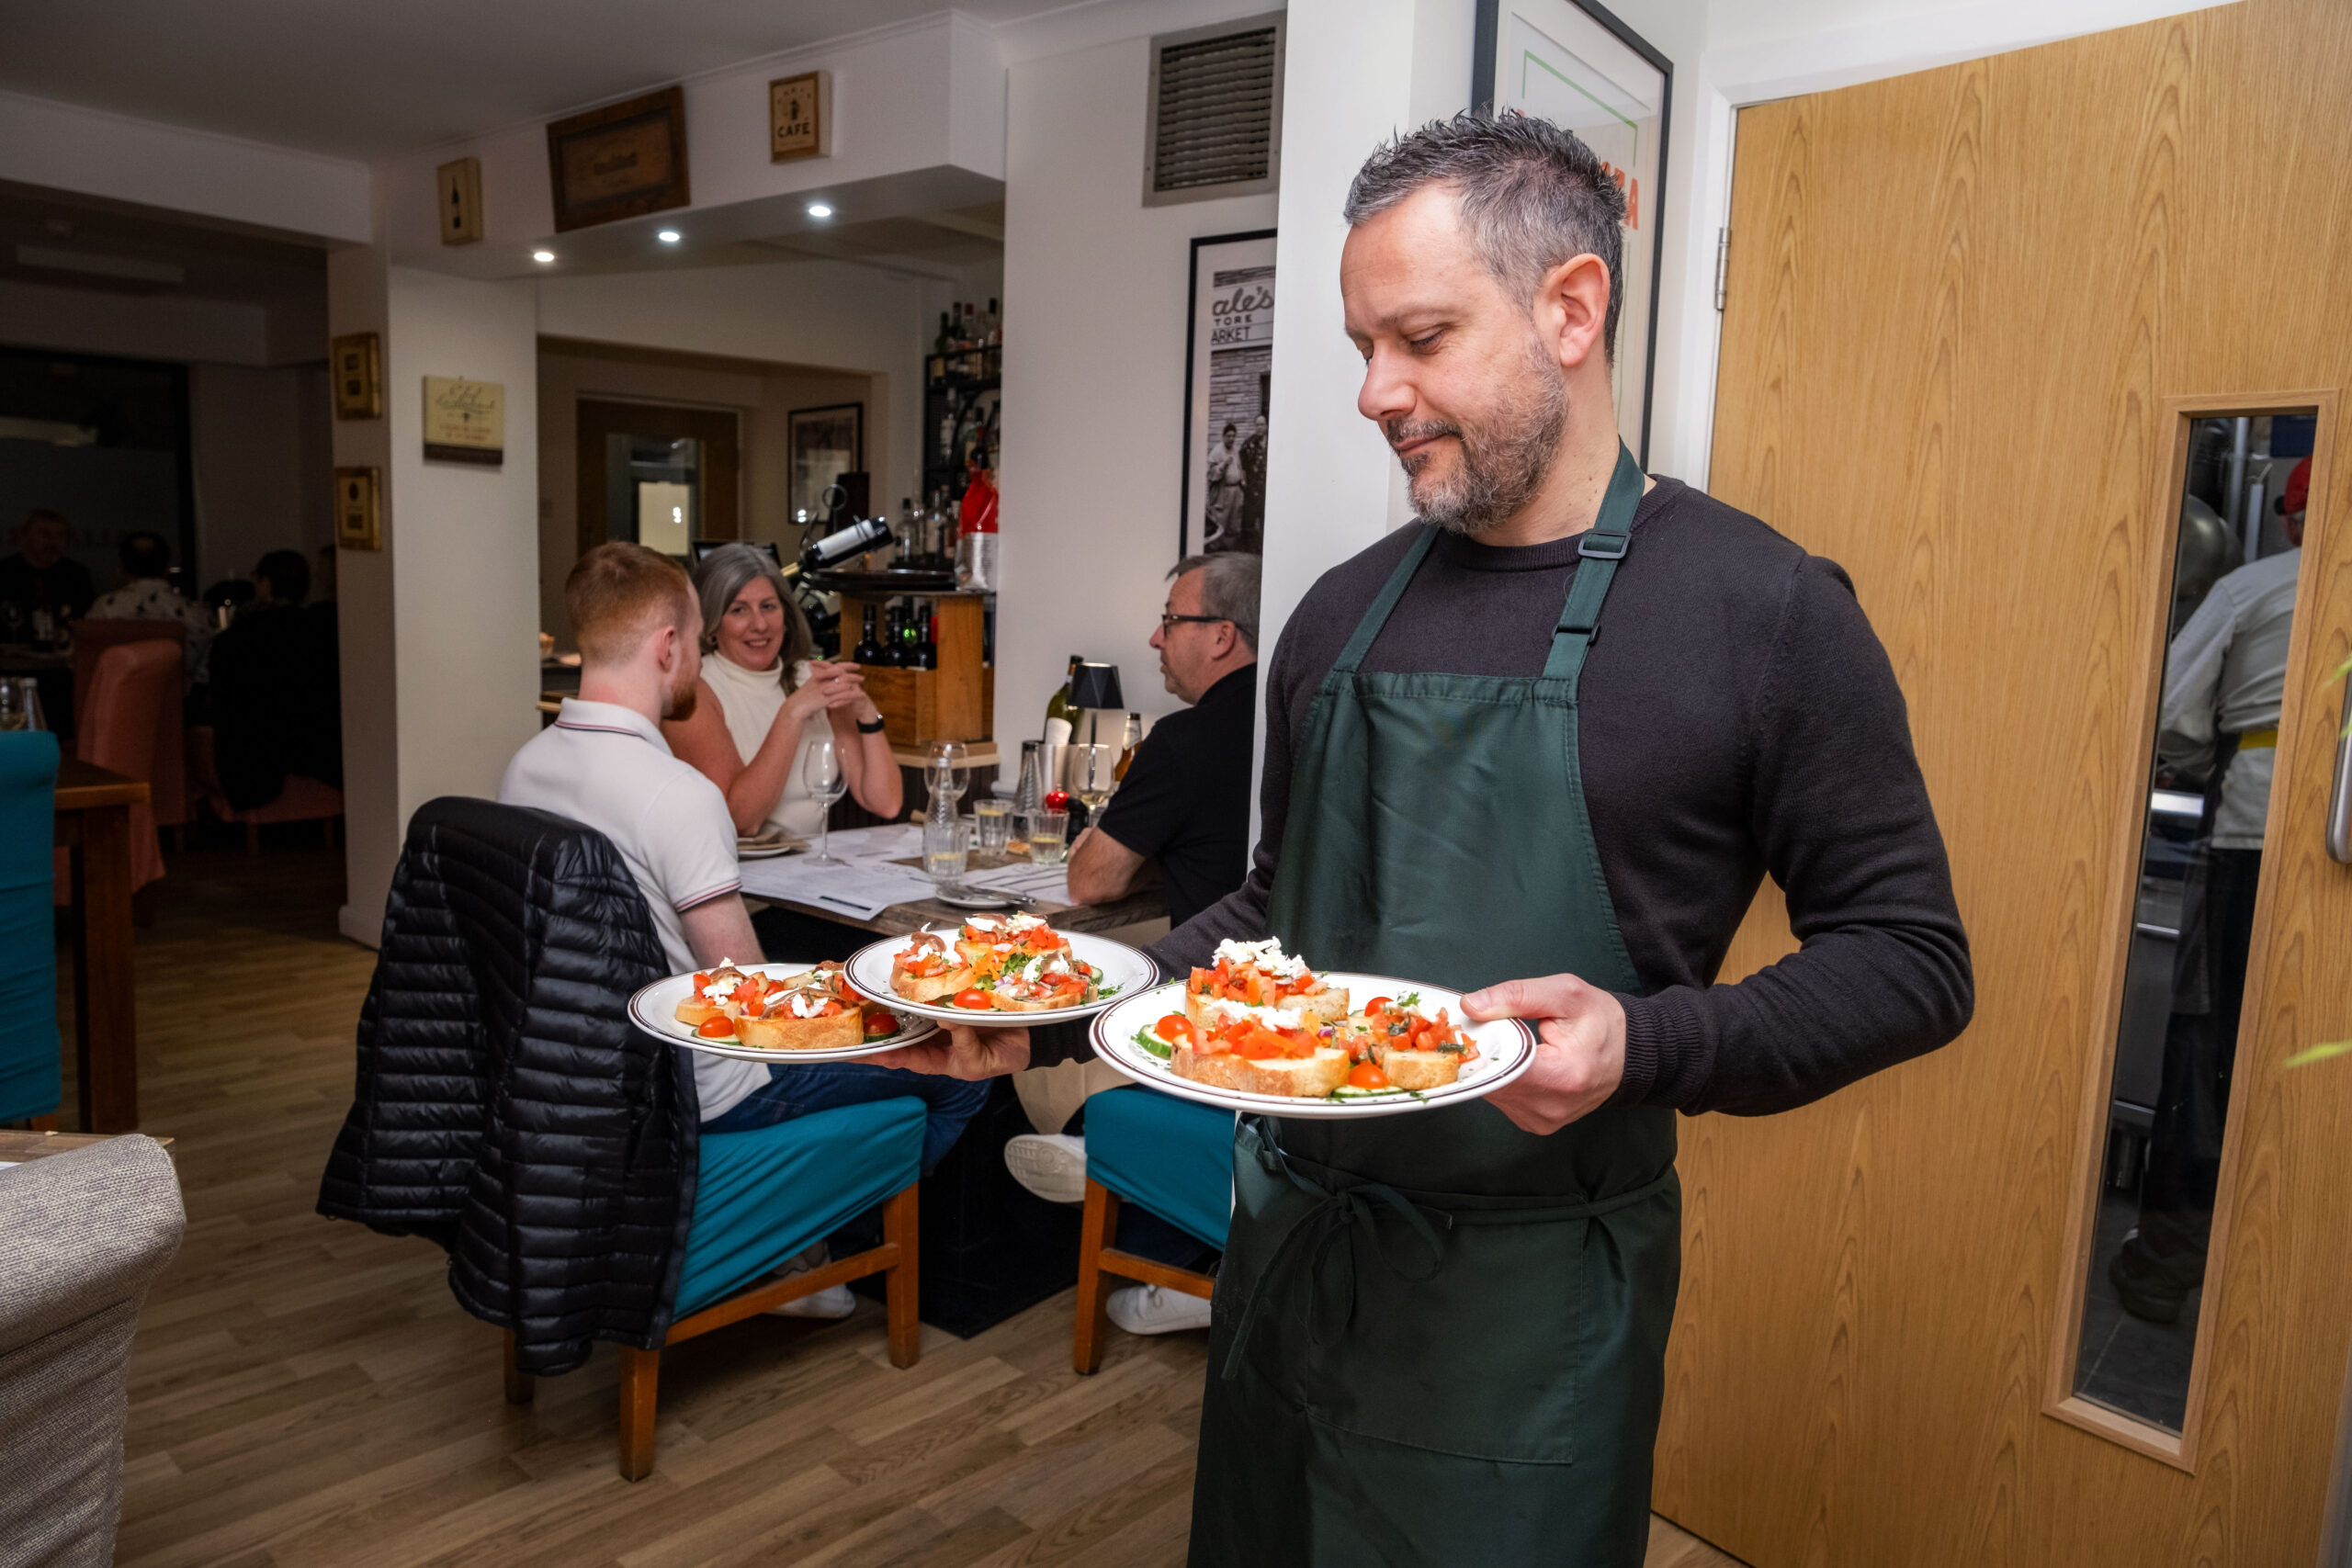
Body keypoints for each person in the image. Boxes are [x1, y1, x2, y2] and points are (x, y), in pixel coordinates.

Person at [881, 110, 1972, 1566]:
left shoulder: (1766, 614)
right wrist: (1061, 1003)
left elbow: (1911, 959)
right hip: (1289, 1256)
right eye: (1360, 346)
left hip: (1531, 1317)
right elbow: (1279, 913)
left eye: (1422, 337)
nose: (1373, 393)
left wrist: (1648, 1045)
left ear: (1570, 308)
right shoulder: (1338, 610)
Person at [502, 543, 985, 1315]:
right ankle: (795, 1241)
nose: (701, 654)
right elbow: (755, 1004)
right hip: (708, 1078)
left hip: (587, 1067)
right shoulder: (676, 794)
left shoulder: (524, 768)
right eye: (698, 636)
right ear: (668, 647)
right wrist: (870, 1005)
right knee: (966, 1060)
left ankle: (798, 1240)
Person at [1006, 552, 1261, 1330]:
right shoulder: (1292, 714)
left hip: (1205, 1007)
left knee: (1044, 1004)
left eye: (1172, 620)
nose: (1155, 639)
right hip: (1282, 987)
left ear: (1221, 636)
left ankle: (1113, 1164)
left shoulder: (1185, 740)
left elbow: (1091, 881)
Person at [2109, 457, 2308, 1324]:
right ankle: (2289, 1291)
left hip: (2248, 847)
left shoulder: (2256, 588)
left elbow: (2172, 714)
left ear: (2293, 517)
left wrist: (2197, 765)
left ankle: (2162, 1270)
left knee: (2207, 1057)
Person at [663, 543, 902, 960]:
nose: (759, 625)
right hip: (749, 903)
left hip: (821, 894)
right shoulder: (698, 692)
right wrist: (791, 714)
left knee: (903, 952)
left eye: (769, 606)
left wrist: (865, 711)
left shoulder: (810, 678)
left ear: (787, 616)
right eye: (739, 610)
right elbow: (743, 819)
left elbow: (884, 801)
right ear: (712, 624)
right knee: (878, 962)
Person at [209, 549, 341, 809]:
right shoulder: (326, 629)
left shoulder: (236, 638)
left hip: (258, 750)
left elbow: (222, 699)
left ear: (266, 583)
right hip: (320, 742)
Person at [86, 530, 214, 687]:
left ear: (121, 568)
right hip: (178, 706)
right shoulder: (196, 614)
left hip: (116, 704)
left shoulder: (104, 609)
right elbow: (204, 673)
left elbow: (85, 661)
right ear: (167, 567)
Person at [0, 509, 95, 637]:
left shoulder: (76, 575)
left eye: (60, 536)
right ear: (25, 536)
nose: (52, 542)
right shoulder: (5, 571)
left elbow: (86, 619)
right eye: (44, 534)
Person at [1203, 423, 1244, 544]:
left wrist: (1242, 479)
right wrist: (1224, 464)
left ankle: (1229, 550)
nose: (1231, 438)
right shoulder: (1216, 451)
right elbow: (1210, 473)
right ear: (1223, 436)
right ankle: (1216, 549)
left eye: (1233, 436)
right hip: (1223, 492)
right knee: (1221, 521)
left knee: (1234, 522)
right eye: (1229, 436)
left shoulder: (1235, 450)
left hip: (1235, 491)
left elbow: (1240, 468)